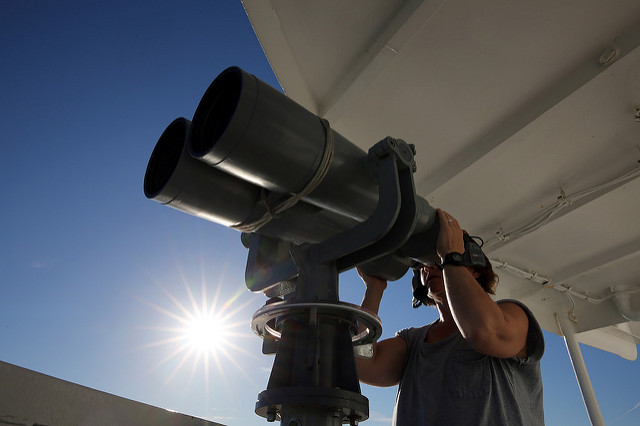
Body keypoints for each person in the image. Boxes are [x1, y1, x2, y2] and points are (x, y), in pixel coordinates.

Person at [356, 209, 544, 425]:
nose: (430, 266)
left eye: (437, 258)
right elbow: (361, 364)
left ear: (475, 269)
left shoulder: (512, 315)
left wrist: (451, 257)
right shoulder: (413, 342)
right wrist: (374, 288)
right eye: (427, 262)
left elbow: (484, 331)